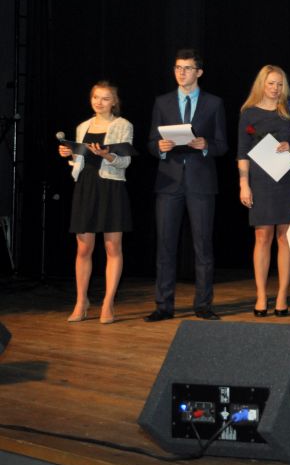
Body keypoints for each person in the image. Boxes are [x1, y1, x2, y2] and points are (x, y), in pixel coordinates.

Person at [145, 49, 228, 322]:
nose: (181, 73)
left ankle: (203, 304)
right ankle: (163, 305)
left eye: (188, 68)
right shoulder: (162, 102)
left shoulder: (214, 103)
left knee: (202, 246)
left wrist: (206, 145)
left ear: (199, 72)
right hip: (169, 181)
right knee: (165, 246)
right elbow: (150, 142)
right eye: (178, 67)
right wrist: (159, 147)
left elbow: (222, 144)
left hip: (201, 182)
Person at [237, 65, 290, 317]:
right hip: (260, 181)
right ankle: (261, 295)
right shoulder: (248, 113)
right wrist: (243, 184)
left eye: (280, 84)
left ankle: (282, 295)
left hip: (288, 179)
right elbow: (242, 152)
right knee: (262, 237)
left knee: (285, 237)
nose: (276, 88)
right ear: (261, 84)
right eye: (271, 83)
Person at [58, 81, 133, 324]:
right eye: (95, 97)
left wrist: (106, 154)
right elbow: (79, 161)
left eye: (105, 98)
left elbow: (124, 162)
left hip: (111, 187)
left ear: (114, 102)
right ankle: (81, 301)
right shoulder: (83, 126)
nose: (99, 102)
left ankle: (108, 303)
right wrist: (70, 154)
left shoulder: (123, 125)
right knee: (83, 248)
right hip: (86, 186)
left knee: (113, 247)